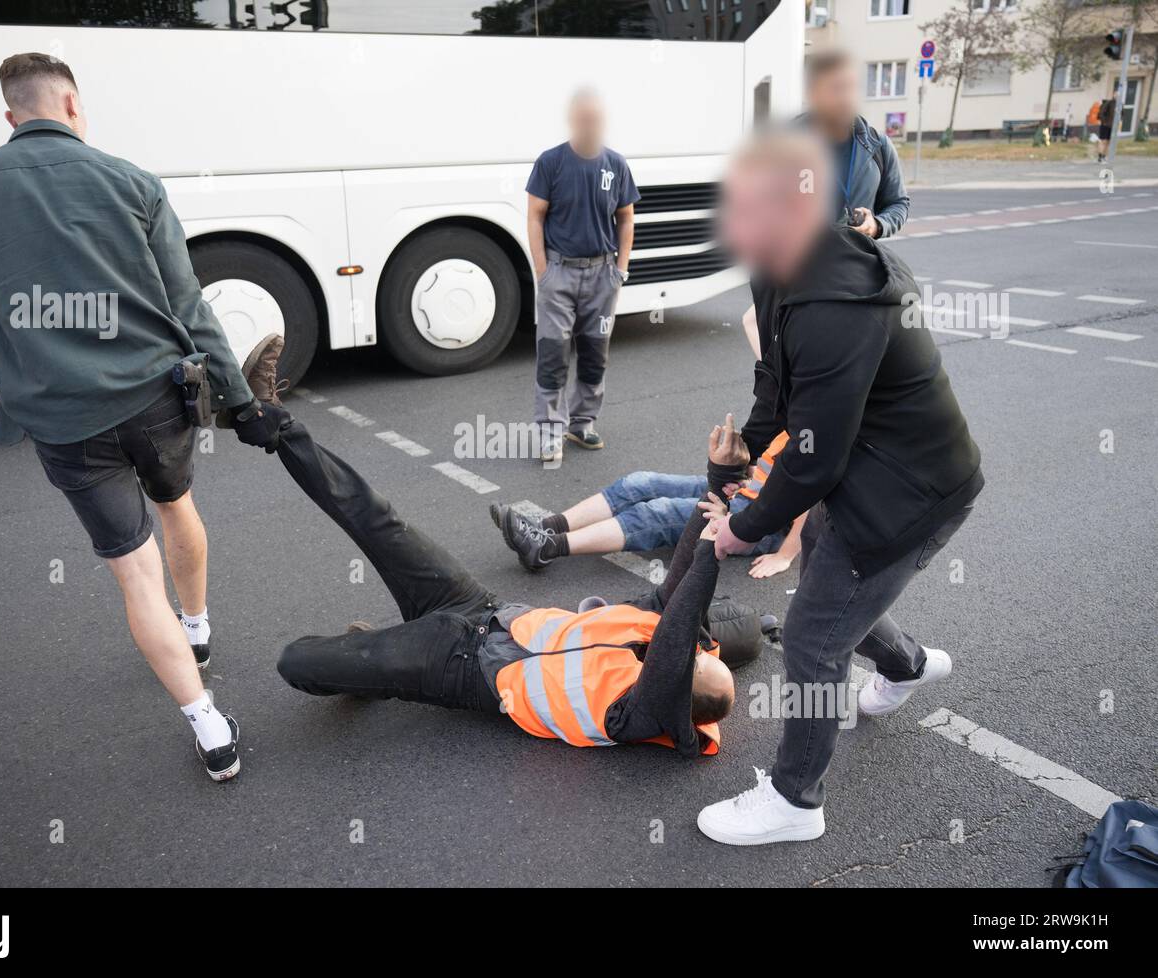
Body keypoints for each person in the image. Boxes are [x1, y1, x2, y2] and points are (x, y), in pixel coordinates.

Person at [0, 54, 289, 782]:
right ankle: (196, 630)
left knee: (135, 574)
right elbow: (190, 307)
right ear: (72, 104)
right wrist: (241, 401)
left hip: (64, 421)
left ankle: (211, 731)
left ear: (11, 117)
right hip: (156, 397)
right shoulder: (133, 182)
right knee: (177, 505)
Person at [696, 130, 983, 845]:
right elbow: (778, 386)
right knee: (830, 565)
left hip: (912, 492)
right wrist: (743, 456)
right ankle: (909, 666)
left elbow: (817, 459)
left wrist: (744, 525)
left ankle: (796, 801)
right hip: (871, 472)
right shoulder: (778, 268)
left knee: (813, 637)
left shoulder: (840, 299)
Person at [273, 417, 752, 756]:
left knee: (296, 662)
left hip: (457, 667)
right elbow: (683, 585)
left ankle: (368, 660)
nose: (694, 651)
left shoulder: (641, 714)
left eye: (692, 665)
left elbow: (675, 639)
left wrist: (712, 556)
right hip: (483, 607)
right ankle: (275, 424)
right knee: (380, 520)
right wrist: (721, 481)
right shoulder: (666, 635)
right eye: (701, 655)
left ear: (673, 689)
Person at [741, 48, 911, 354]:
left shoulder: (876, 144)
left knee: (844, 357)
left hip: (857, 273)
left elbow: (899, 203)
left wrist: (877, 224)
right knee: (785, 353)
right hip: (798, 273)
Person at [490, 427, 805, 579]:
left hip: (764, 524)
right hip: (748, 491)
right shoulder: (793, 385)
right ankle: (545, 528)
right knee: (640, 482)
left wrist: (785, 555)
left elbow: (813, 500)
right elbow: (752, 319)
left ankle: (545, 548)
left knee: (655, 514)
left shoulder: (820, 410)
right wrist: (750, 475)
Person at [527, 88, 639, 468]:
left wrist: (620, 270)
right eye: (584, 116)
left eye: (596, 117)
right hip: (559, 273)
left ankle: (583, 422)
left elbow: (625, 219)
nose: (590, 122)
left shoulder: (616, 164)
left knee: (595, 354)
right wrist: (543, 271)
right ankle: (549, 433)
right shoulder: (551, 162)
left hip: (601, 274)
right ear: (573, 118)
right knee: (553, 355)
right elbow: (535, 216)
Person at [1097, 97, 1116, 163]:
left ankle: (1104, 156)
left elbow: (1121, 114)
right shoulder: (1108, 103)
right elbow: (1101, 113)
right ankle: (1100, 157)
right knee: (1103, 141)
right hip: (1105, 125)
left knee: (1108, 142)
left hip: (1112, 126)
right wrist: (1104, 122)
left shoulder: (1119, 104)